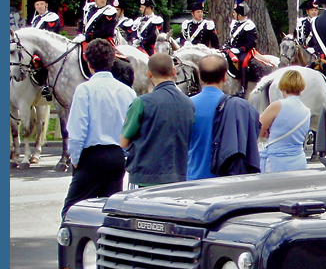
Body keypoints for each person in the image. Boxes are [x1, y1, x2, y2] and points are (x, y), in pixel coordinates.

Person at [62, 39, 137, 217]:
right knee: (109, 212)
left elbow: (77, 129)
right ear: (111, 61)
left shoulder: (85, 89)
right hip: (117, 155)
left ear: (88, 63)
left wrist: (75, 157)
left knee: (72, 211)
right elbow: (133, 127)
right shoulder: (127, 91)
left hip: (92, 156)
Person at [120, 53, 195, 187]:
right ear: (173, 72)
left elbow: (123, 141)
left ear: (149, 73)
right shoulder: (189, 104)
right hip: (179, 175)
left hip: (146, 177)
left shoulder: (141, 102)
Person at [186, 54, 233, 180]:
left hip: (193, 177)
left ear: (200, 77)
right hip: (227, 180)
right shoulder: (237, 106)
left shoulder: (186, 105)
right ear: (224, 77)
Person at [258, 69, 311, 172]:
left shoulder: (277, 106)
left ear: (283, 87)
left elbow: (258, 129)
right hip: (299, 161)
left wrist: (268, 132)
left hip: (276, 162)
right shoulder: (307, 111)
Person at [224, 0, 258, 95]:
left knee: (243, 62)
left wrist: (240, 49)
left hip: (245, 50)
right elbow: (232, 38)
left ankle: (243, 88)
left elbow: (251, 42)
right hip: (233, 49)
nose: (233, 14)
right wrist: (228, 46)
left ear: (240, 14)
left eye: (235, 12)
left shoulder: (249, 25)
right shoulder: (234, 23)